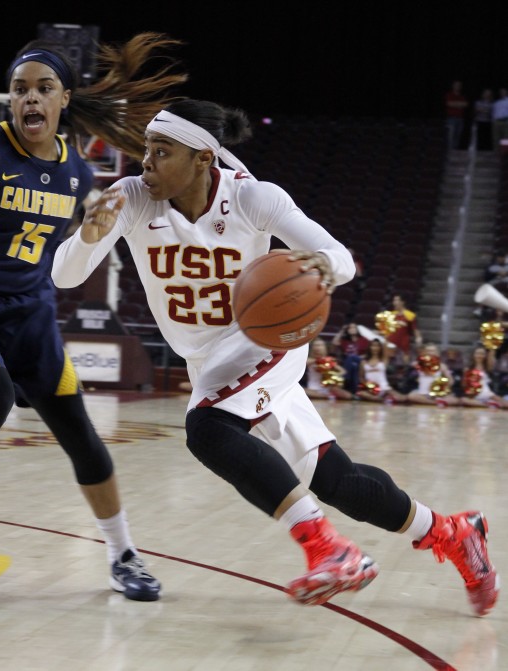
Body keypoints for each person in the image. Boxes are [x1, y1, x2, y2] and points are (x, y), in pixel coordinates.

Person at [51, 98, 498, 615]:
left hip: (265, 340)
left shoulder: (252, 199)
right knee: (339, 482)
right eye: (147, 149)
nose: (146, 161)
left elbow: (341, 259)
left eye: (161, 151)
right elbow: (65, 276)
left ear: (202, 158)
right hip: (209, 360)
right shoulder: (131, 197)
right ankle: (452, 532)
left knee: (208, 429)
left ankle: (330, 549)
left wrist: (321, 267)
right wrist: (86, 235)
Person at [0, 32, 189, 600]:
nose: (30, 98)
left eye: (43, 89)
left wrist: (89, 230)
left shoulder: (77, 174)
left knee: (79, 428)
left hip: (29, 310)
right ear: (11, 100)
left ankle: (123, 553)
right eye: (20, 89)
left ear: (62, 100)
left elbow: (59, 250)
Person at [406, 343, 460, 407]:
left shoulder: (442, 365)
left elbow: (451, 382)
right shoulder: (417, 364)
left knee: (455, 400)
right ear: (424, 352)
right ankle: (435, 403)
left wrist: (444, 383)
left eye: (433, 351)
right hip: (422, 393)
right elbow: (410, 379)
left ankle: (437, 400)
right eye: (428, 351)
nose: (430, 353)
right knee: (411, 396)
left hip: (437, 392)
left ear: (437, 353)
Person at [357, 338, 408, 404]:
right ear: (369, 347)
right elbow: (361, 377)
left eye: (377, 346)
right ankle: (379, 399)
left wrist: (384, 336)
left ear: (380, 347)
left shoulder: (383, 360)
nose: (375, 348)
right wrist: (367, 385)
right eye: (373, 345)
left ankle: (382, 398)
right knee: (360, 393)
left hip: (384, 388)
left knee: (401, 398)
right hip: (370, 389)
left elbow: (386, 347)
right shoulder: (364, 362)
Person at [331, 322, 369, 394]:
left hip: (360, 360)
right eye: (350, 328)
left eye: (354, 327)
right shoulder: (345, 341)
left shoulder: (363, 340)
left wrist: (359, 357)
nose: (352, 329)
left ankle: (345, 376)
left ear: (357, 329)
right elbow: (334, 342)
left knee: (352, 358)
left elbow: (368, 353)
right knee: (353, 366)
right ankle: (354, 391)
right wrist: (342, 330)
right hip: (348, 362)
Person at [385, 293, 422, 365]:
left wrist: (418, 339)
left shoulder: (410, 315)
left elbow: (415, 330)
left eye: (396, 300)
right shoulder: (390, 314)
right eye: (394, 300)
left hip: (403, 342)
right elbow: (386, 330)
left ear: (403, 302)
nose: (394, 303)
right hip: (390, 342)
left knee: (404, 361)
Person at [444, 80, 468, 150]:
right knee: (450, 136)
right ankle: (449, 151)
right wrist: (459, 104)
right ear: (453, 86)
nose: (458, 86)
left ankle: (455, 151)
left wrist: (455, 104)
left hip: (460, 119)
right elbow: (449, 104)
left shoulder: (462, 96)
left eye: (459, 85)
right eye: (456, 85)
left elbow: (465, 104)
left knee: (458, 136)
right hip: (451, 118)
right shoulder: (449, 94)